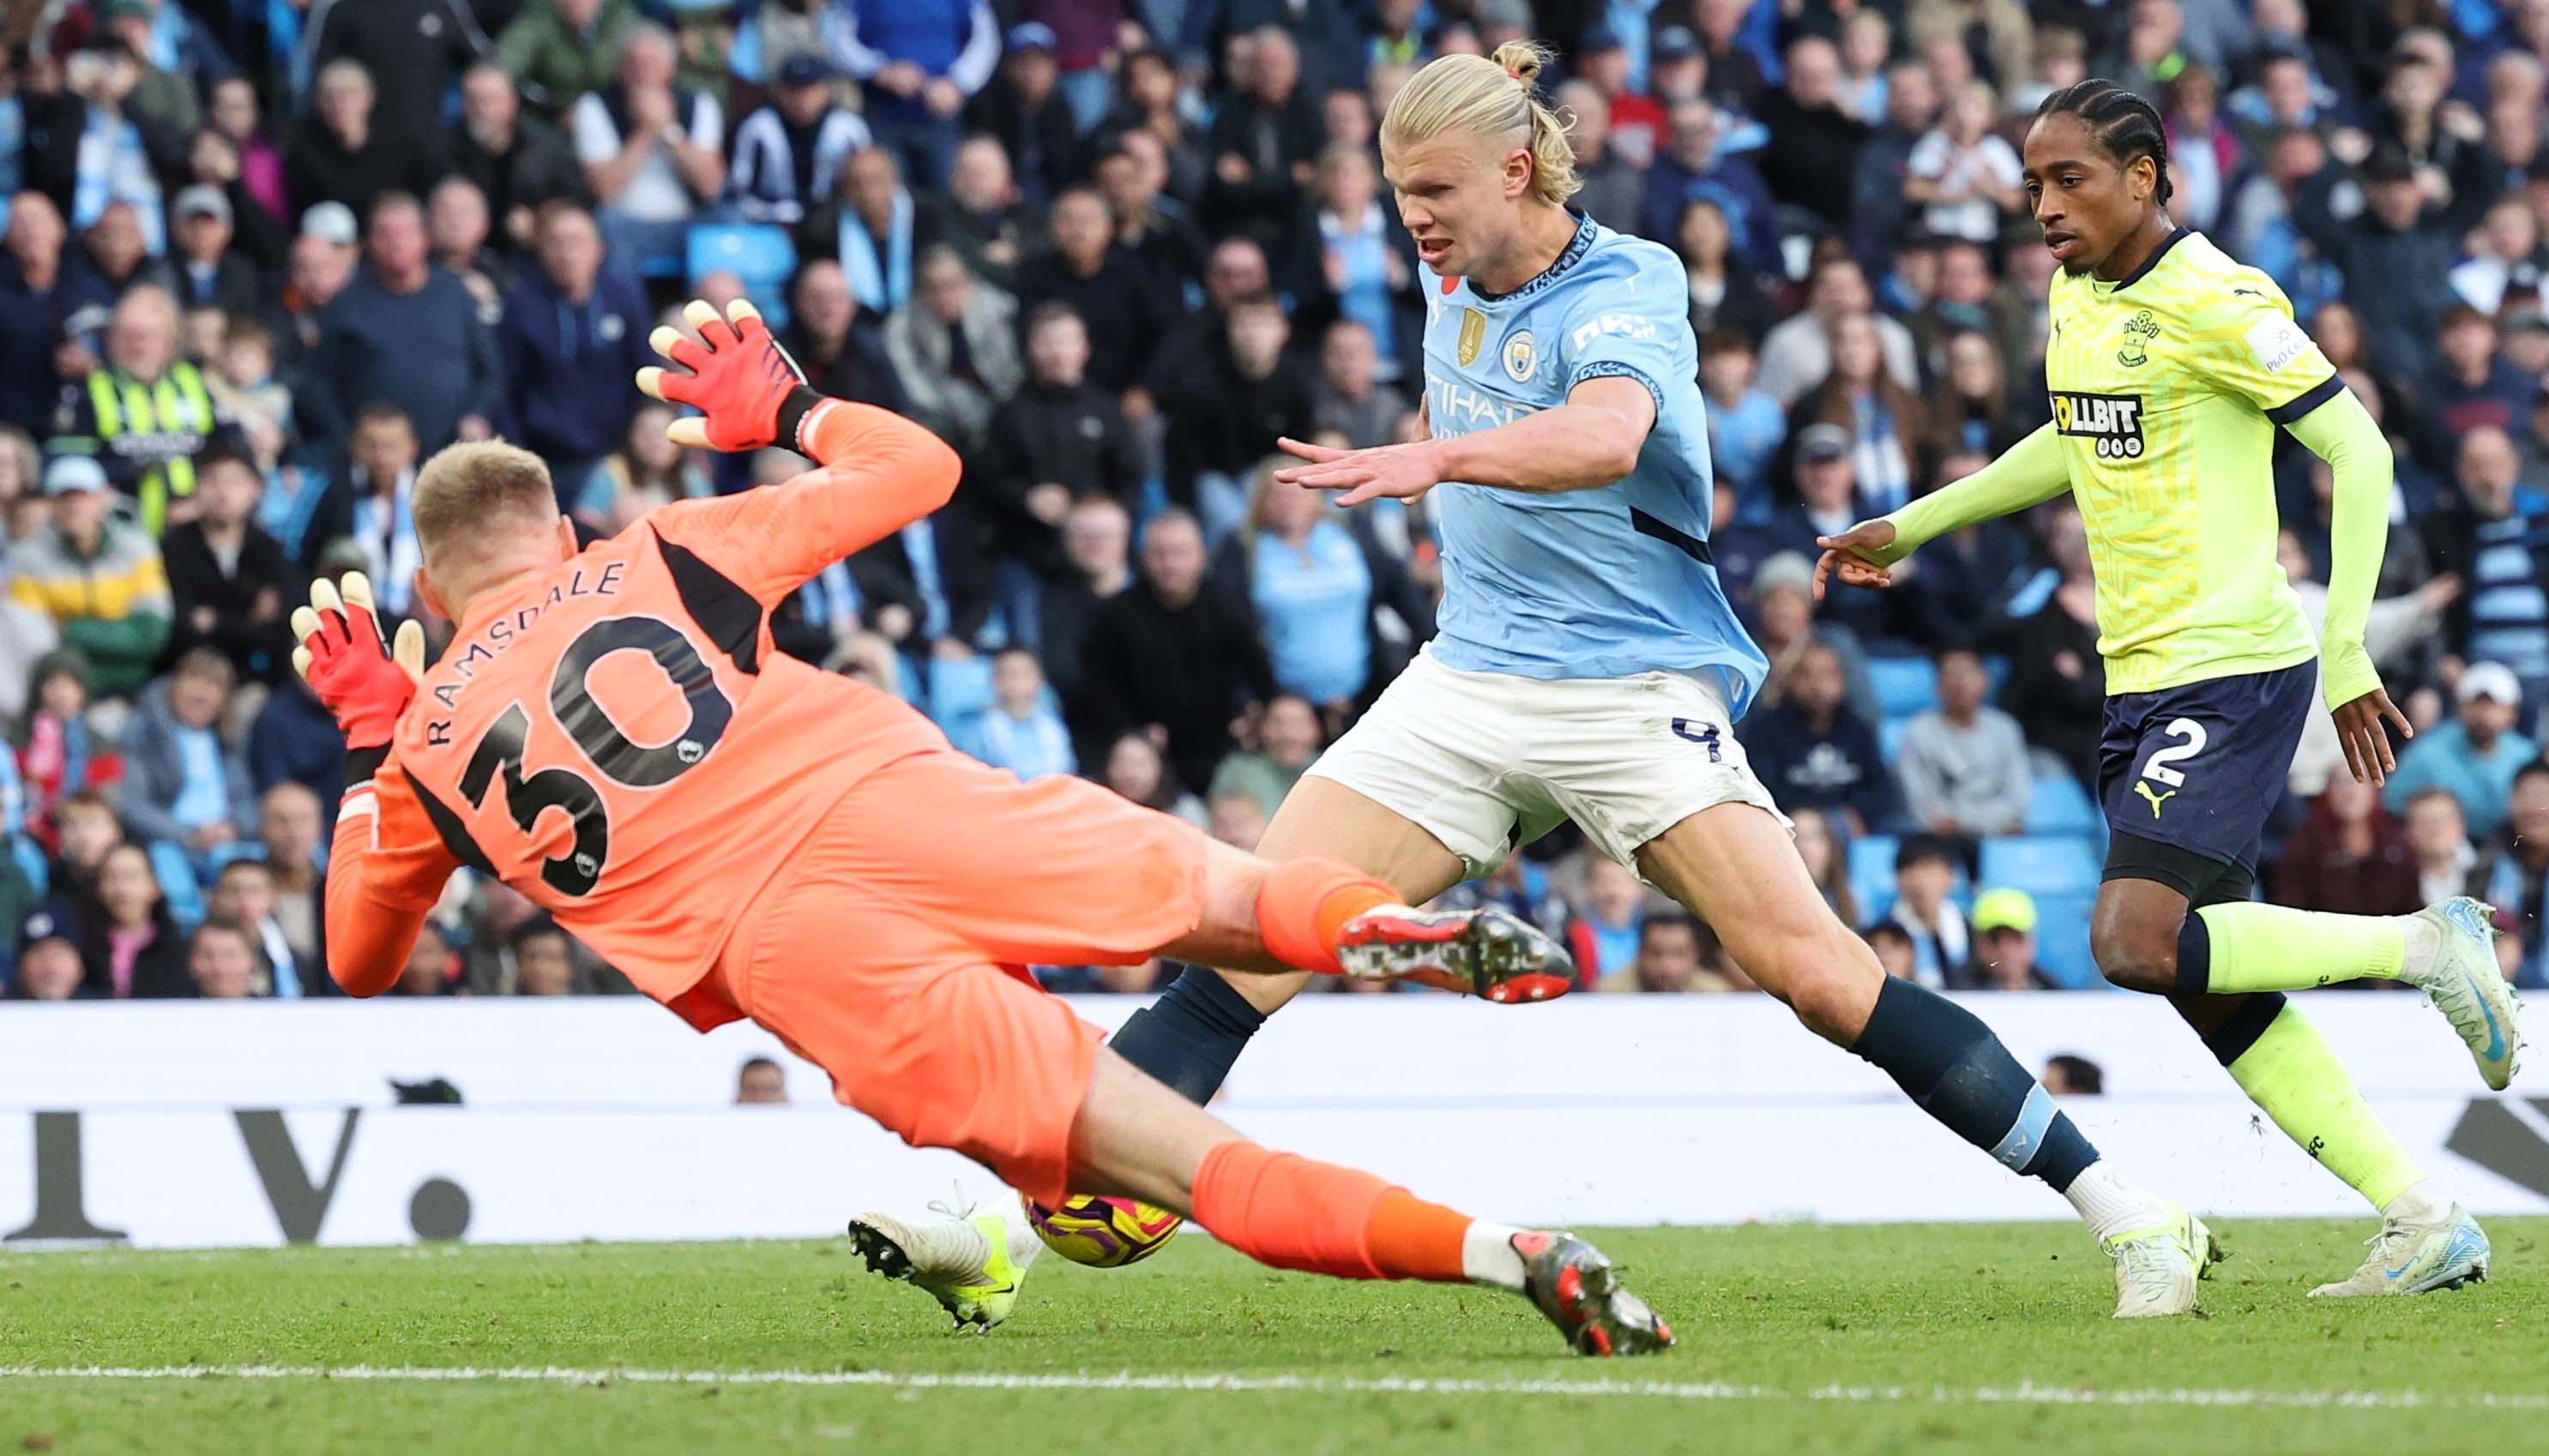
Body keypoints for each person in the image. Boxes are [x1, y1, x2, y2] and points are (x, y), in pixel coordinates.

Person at [976, 43, 2205, 1322]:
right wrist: (1496, 81)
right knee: (1245, 941)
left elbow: (1607, 432)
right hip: (1467, 680)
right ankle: (1001, 1227)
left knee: (1822, 977)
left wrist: (1436, 458)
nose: (1416, 220)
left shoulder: (1631, 282)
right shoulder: (1448, 250)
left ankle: (2132, 1207)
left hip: (1631, 688)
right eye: (1403, 196)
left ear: (1518, 173)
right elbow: (1474, 177)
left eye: (1437, 191)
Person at [297, 294, 1665, 1356]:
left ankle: (1502, 1249)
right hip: (892, 797)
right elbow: (922, 470)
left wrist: (369, 741)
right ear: (562, 523)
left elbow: (358, 960)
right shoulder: (654, 552)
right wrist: (790, 403)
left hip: (794, 948)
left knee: (1187, 1168)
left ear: (429, 576)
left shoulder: (421, 751)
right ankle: (1382, 926)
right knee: (1232, 899)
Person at [1817, 79, 2512, 1298]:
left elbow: (2360, 447)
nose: (2041, 205)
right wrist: (1918, 523)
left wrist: (2345, 646)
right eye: (2032, 182)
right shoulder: (2076, 294)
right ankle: (2424, 1211)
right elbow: (2075, 437)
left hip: (2236, 666)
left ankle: (2426, 944)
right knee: (2200, 974)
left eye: (2068, 178)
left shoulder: (2223, 299)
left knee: (2132, 941)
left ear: (2147, 176)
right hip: (2138, 681)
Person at [6, 455, 172, 697]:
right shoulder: (29, 557)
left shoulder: (137, 548)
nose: (74, 507)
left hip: (132, 685)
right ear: (51, 504)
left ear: (104, 498)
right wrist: (114, 636)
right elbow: (36, 645)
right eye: (64, 497)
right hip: (57, 691)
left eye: (83, 496)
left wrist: (69, 629)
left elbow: (151, 636)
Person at [2383, 662, 2536, 840]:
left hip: (2512, 848)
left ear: (2513, 712)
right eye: (2475, 704)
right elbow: (2393, 805)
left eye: (2493, 705)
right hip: (2448, 849)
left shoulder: (2527, 756)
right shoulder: (2426, 753)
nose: (2483, 714)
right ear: (2459, 708)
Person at [1897, 647, 2031, 850]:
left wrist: (1978, 823)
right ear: (1938, 685)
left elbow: (2018, 797)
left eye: (1968, 673)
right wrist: (1956, 824)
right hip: (1945, 841)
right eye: (1952, 674)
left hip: (1998, 835)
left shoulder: (2005, 728)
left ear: (1985, 681)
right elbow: (1921, 802)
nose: (1961, 683)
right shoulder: (1919, 732)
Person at [1955, 887, 2052, 991]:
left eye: (2016, 938)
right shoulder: (1955, 991)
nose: (2006, 950)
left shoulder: (2055, 993)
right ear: (1978, 943)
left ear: (2031, 942)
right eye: (1995, 939)